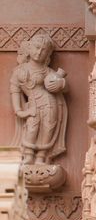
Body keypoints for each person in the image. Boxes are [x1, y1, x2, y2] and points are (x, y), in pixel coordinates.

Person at [9, 34, 68, 165]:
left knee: (48, 127)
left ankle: (41, 156)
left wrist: (61, 83)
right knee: (32, 127)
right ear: (30, 48)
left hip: (50, 103)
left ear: (48, 54)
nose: (39, 52)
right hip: (33, 104)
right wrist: (19, 110)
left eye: (43, 50)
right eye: (37, 47)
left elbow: (65, 87)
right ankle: (29, 155)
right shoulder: (19, 71)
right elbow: (15, 90)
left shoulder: (47, 71)